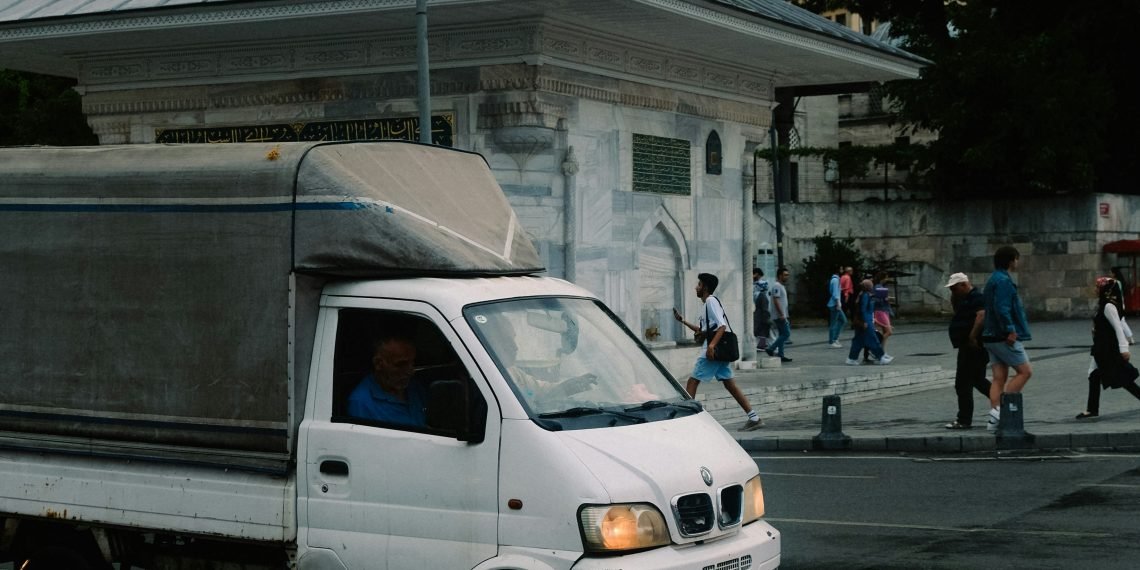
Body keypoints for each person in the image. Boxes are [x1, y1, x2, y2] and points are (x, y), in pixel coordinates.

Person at [674, 273, 763, 431]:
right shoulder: (707, 305)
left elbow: (722, 326)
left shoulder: (710, 301)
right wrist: (682, 321)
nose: (696, 287)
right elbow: (702, 330)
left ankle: (686, 420)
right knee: (730, 385)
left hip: (714, 351)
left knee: (692, 382)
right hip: (719, 350)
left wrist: (711, 346)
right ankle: (754, 417)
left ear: (705, 287)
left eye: (699, 285)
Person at [981, 245, 1032, 432]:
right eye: (1016, 259)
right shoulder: (1003, 280)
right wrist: (1010, 329)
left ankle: (994, 417)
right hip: (1003, 335)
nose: (1018, 262)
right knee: (1025, 371)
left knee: (998, 378)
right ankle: (1002, 411)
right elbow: (1002, 307)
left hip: (990, 336)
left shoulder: (993, 279)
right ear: (1011, 260)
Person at [1076, 276, 1140, 419]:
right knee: (1093, 374)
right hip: (1101, 347)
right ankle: (1092, 409)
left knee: (1123, 378)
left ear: (1105, 289)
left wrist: (1124, 348)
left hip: (1108, 349)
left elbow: (1119, 326)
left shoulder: (1108, 306)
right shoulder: (1104, 304)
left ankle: (1092, 409)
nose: (1095, 289)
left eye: (1098, 287)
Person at [944, 272, 992, 429]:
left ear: (964, 285)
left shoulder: (977, 297)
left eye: (954, 289)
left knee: (963, 383)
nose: (953, 292)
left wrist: (972, 336)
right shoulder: (965, 299)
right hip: (968, 346)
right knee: (978, 381)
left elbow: (981, 315)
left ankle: (964, 419)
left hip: (973, 347)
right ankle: (1004, 402)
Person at [347, 334, 427, 426]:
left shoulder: (415, 388)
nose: (411, 372)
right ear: (378, 364)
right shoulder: (361, 403)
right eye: (401, 365)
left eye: (412, 363)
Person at [846, 279, 893, 365]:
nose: (872, 286)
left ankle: (851, 358)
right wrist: (864, 321)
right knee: (873, 339)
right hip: (866, 321)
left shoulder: (865, 295)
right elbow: (863, 310)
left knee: (858, 340)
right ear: (868, 287)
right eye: (871, 285)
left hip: (866, 320)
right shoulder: (865, 296)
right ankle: (881, 357)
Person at [764, 267, 793, 363]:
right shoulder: (777, 286)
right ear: (780, 275)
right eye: (785, 275)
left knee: (782, 334)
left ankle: (781, 354)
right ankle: (771, 348)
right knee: (786, 333)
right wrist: (781, 314)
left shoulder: (780, 286)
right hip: (779, 315)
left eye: (787, 275)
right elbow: (776, 300)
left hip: (782, 314)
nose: (787, 277)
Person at [872, 272, 894, 353]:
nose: (887, 279)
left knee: (886, 331)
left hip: (883, 310)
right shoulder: (878, 287)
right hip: (881, 311)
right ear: (882, 278)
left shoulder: (879, 286)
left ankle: (882, 351)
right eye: (886, 278)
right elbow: (877, 299)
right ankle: (879, 350)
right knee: (889, 331)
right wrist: (885, 299)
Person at [826, 266, 846, 348]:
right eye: (841, 268)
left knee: (843, 320)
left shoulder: (836, 279)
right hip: (835, 304)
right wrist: (838, 303)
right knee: (833, 323)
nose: (842, 270)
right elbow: (835, 293)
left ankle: (835, 338)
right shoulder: (835, 280)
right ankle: (832, 341)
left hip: (835, 304)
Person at [752, 268, 772, 350]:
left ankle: (762, 345)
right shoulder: (759, 292)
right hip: (759, 311)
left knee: (762, 328)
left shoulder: (760, 287)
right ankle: (762, 345)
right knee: (761, 328)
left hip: (760, 311)